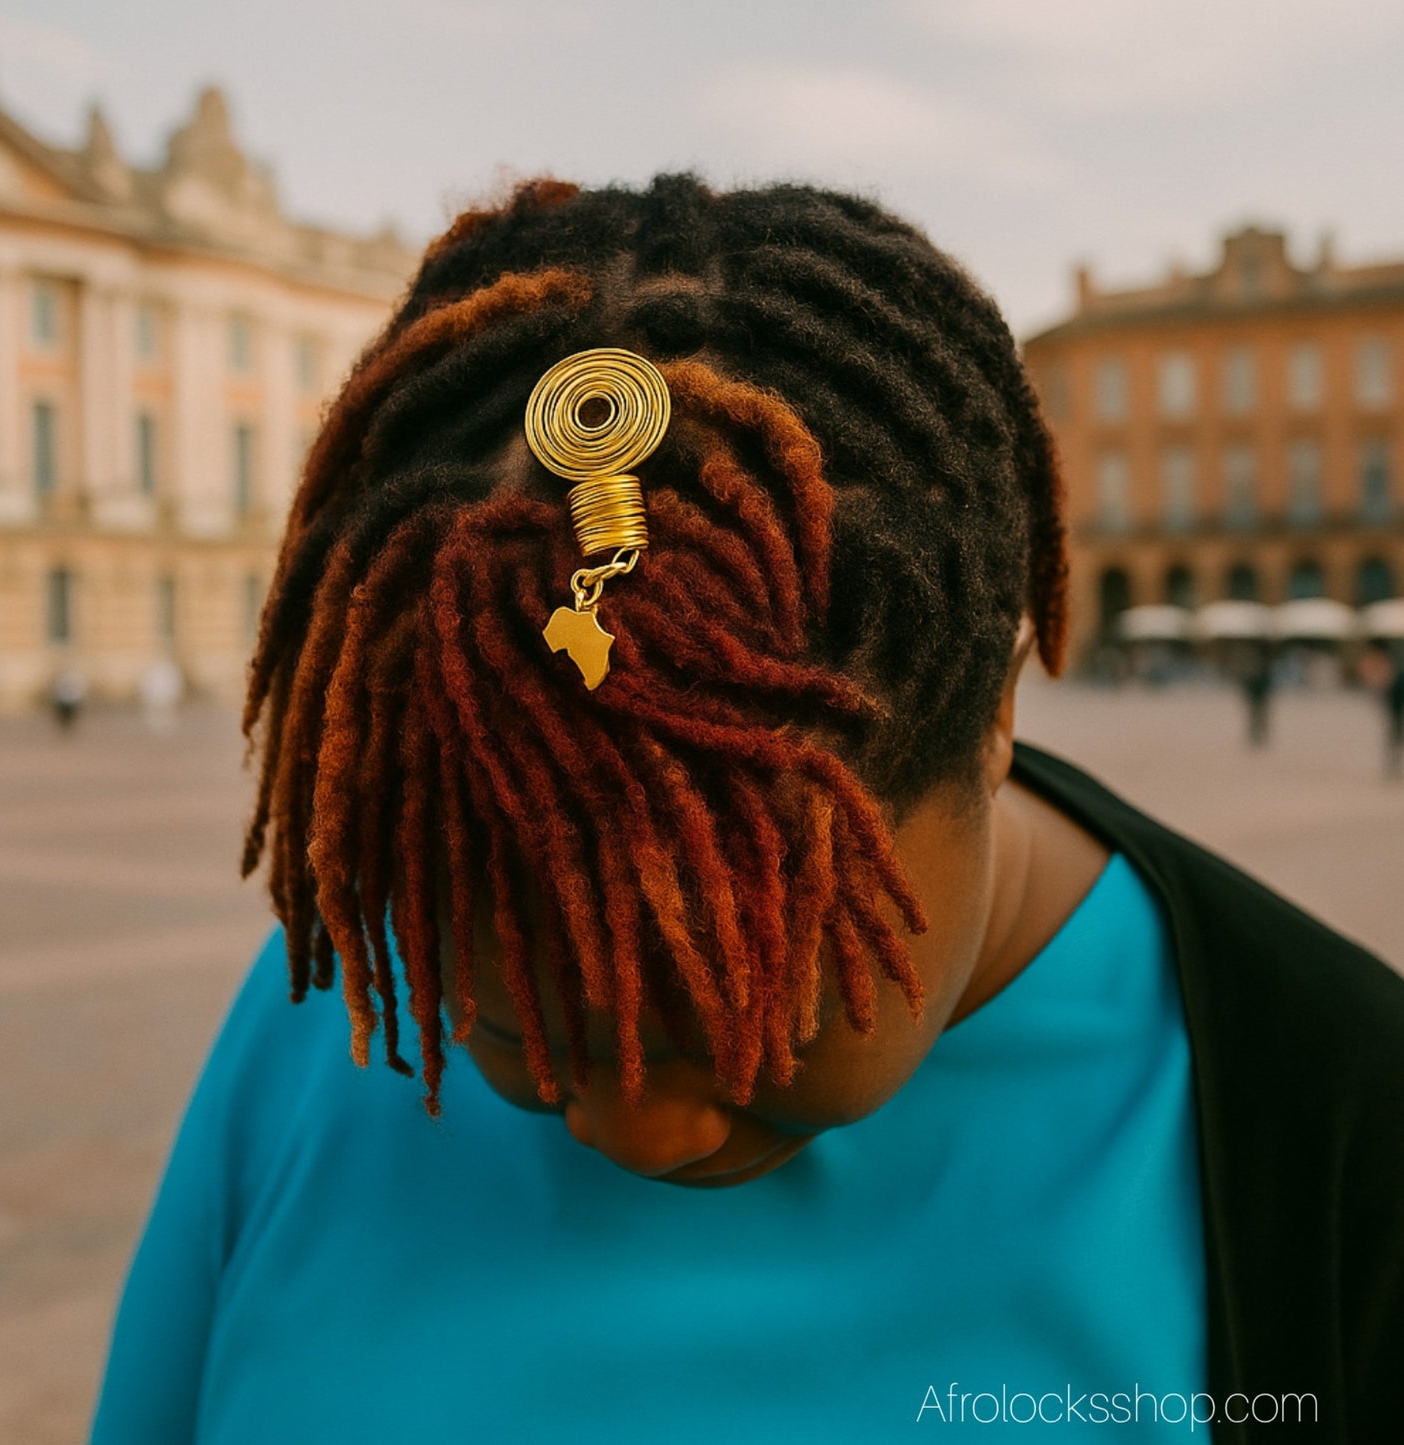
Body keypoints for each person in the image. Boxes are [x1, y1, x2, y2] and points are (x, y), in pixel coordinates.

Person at [90, 177, 1403, 1443]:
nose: (635, 1130)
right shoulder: (330, 1004)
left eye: (748, 1005)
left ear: (993, 710)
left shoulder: (1331, 1119)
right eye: (509, 1022)